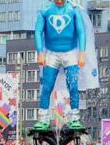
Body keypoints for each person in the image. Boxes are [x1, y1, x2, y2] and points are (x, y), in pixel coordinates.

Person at [32, 0, 93, 131]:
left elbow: (81, 32)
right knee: (47, 86)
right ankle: (43, 118)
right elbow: (37, 32)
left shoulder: (74, 10)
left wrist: (82, 52)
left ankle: (75, 117)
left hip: (70, 53)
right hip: (51, 53)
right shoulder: (45, 11)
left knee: (73, 85)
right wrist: (40, 52)